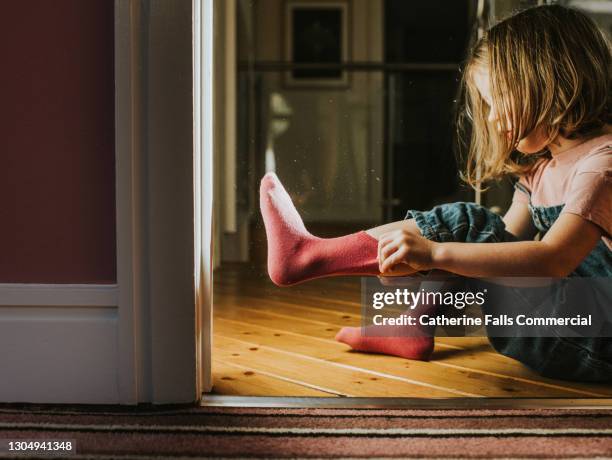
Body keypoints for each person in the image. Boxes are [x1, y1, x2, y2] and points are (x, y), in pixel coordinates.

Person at [259, 5, 612, 381]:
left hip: (594, 337)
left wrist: (434, 252)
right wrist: (423, 265)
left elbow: (549, 260)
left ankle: (310, 256)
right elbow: (502, 244)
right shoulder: (542, 166)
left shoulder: (602, 163)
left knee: (470, 224)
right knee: (479, 235)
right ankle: (411, 325)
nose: (492, 119)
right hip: (574, 325)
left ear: (549, 84)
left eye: (498, 101)